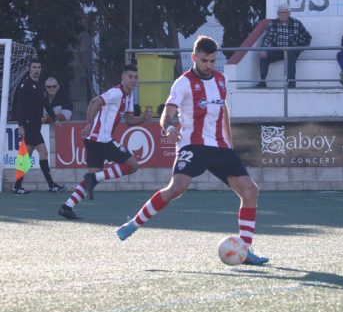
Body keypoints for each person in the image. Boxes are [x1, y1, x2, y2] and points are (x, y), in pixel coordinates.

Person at [115, 36, 269, 266]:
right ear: (194, 58)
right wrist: (167, 127)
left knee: (250, 191)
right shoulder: (183, 83)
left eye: (213, 61)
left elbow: (224, 110)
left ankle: (245, 249)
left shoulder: (221, 80)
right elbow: (168, 113)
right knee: (177, 188)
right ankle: (133, 224)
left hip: (220, 146)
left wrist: (229, 140)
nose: (209, 66)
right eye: (205, 61)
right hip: (193, 145)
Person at [58, 64, 152, 220]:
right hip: (101, 140)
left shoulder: (128, 97)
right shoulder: (116, 92)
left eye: (135, 77)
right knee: (132, 165)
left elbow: (129, 120)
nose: (133, 80)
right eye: (130, 77)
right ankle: (94, 178)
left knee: (92, 178)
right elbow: (94, 102)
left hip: (93, 141)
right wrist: (89, 123)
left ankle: (67, 206)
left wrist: (143, 118)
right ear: (123, 77)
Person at [13, 58, 66, 195]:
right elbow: (20, 107)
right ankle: (51, 185)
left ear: (41, 69)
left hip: (36, 125)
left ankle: (17, 186)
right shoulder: (25, 85)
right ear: (29, 69)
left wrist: (54, 118)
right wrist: (21, 125)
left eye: (38, 67)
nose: (36, 70)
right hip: (29, 125)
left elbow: (45, 104)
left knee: (26, 156)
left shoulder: (41, 85)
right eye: (34, 67)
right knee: (43, 152)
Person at [256, 4, 312, 89]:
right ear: (278, 14)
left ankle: (291, 82)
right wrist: (264, 49)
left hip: (292, 51)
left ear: (289, 14)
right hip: (277, 50)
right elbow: (267, 38)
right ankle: (262, 81)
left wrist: (299, 48)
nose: (283, 15)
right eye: (281, 13)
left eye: (285, 13)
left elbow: (307, 37)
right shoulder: (272, 24)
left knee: (289, 51)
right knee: (264, 54)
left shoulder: (296, 23)